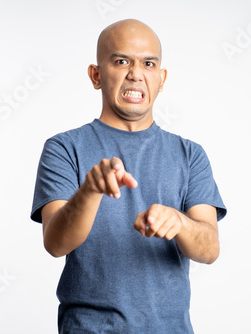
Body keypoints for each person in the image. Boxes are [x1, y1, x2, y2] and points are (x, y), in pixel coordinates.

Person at [31, 19, 227, 333]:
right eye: (121, 61)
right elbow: (55, 243)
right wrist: (90, 190)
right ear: (96, 75)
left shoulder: (190, 154)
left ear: (161, 78)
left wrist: (180, 222)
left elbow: (209, 248)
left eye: (148, 63)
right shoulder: (64, 148)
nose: (135, 73)